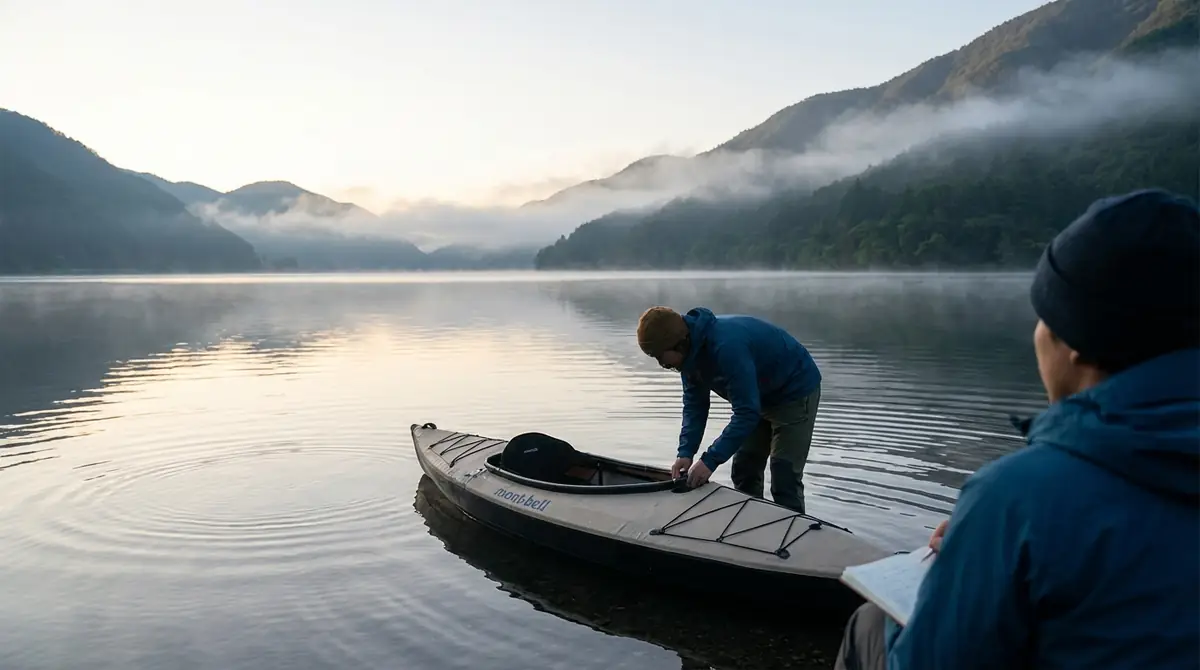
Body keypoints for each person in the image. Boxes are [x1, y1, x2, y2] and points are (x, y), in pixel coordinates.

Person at [834, 188, 1200, 670]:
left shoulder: (1020, 496)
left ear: (1073, 342)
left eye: (1043, 316)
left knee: (869, 625)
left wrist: (989, 538)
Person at [635, 305, 822, 513]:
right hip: (757, 395)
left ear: (679, 344)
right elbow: (695, 406)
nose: (661, 364)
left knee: (784, 476)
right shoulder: (689, 358)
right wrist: (686, 452)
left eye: (660, 356)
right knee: (744, 469)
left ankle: (794, 537)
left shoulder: (727, 347)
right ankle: (749, 528)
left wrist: (709, 461)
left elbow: (746, 412)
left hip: (793, 391)